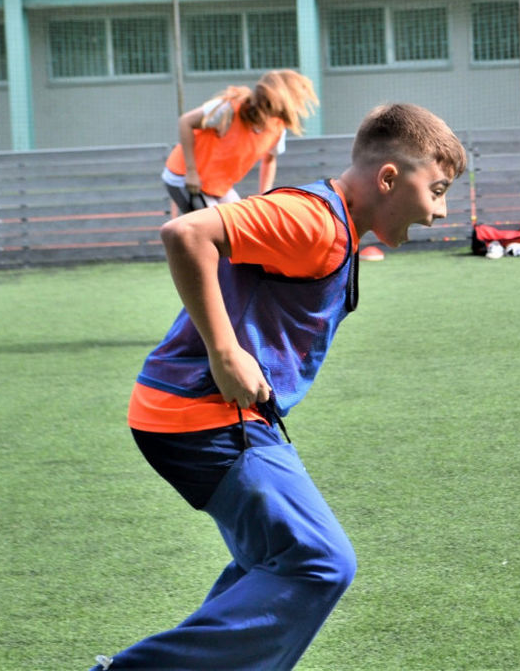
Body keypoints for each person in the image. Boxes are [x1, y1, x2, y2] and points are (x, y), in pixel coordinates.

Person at [92, 102, 467, 671]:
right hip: (202, 416)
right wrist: (223, 352)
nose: (441, 212)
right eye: (437, 190)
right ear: (389, 178)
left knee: (269, 565)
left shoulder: (333, 225)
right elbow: (186, 232)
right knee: (319, 561)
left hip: (213, 415)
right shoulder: (314, 221)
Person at [162, 69, 319, 214]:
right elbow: (185, 122)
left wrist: (264, 196)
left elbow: (269, 159)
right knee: (215, 233)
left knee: (242, 226)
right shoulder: (229, 109)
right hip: (183, 177)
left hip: (218, 186)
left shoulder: (277, 127)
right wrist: (191, 172)